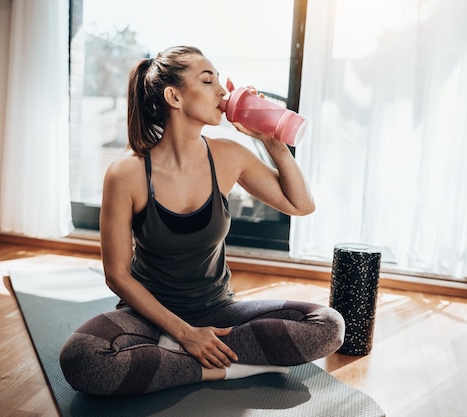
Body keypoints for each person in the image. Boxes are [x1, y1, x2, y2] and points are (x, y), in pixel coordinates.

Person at [59, 45, 345, 397]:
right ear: (174, 96)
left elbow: (300, 205)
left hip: (218, 309)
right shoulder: (127, 174)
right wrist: (184, 333)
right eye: (207, 80)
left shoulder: (228, 157)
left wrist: (272, 142)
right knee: (83, 359)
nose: (223, 92)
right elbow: (116, 275)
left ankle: (178, 358)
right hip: (147, 313)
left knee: (327, 325)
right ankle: (223, 368)